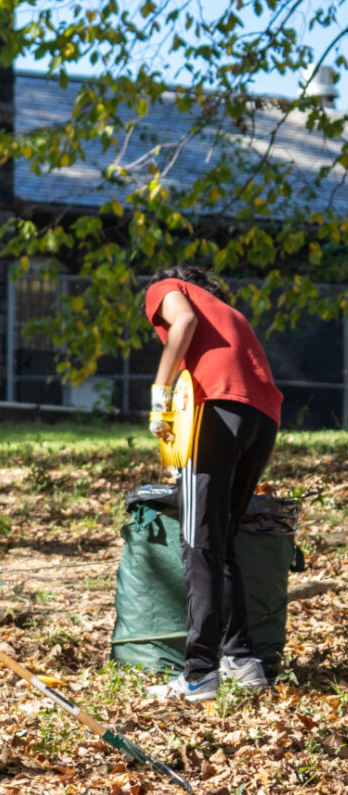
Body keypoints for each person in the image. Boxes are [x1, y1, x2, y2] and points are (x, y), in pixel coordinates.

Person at [143, 265, 282, 701]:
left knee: (198, 542)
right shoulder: (229, 311)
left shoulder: (166, 289)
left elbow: (182, 322)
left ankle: (199, 672)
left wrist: (159, 392)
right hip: (263, 417)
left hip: (217, 409)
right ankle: (242, 661)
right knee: (220, 541)